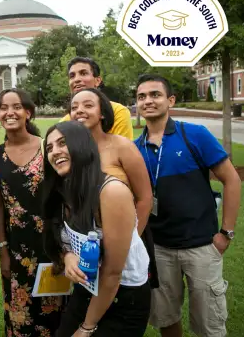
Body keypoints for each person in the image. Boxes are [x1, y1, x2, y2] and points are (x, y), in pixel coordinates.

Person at [134, 74, 241, 337]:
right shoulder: (135, 149)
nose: (148, 101)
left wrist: (225, 234)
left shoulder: (194, 135)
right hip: (158, 249)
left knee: (209, 324)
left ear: (170, 100)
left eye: (155, 95)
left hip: (202, 246)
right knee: (166, 317)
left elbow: (232, 180)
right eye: (141, 97)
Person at [43, 121, 151, 337]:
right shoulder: (63, 189)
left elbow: (112, 273)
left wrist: (86, 328)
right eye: (49, 147)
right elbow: (62, 237)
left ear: (83, 146)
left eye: (63, 143)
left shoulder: (111, 192)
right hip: (88, 287)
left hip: (124, 295)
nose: (55, 152)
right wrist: (68, 257)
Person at [0, 88, 64, 336]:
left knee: (53, 310)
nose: (10, 112)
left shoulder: (48, 149)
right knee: (20, 314)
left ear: (28, 113)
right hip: (16, 246)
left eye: (16, 106)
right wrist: (2, 251)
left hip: (52, 242)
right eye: (3, 108)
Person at [68, 88, 152, 233]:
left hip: (124, 237)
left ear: (102, 113)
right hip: (84, 240)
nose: (79, 110)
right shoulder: (69, 151)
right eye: (74, 107)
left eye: (88, 105)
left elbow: (145, 199)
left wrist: (131, 241)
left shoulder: (122, 146)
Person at [59, 57, 133, 139]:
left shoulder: (118, 112)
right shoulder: (64, 122)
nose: (76, 79)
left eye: (83, 73)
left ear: (97, 80)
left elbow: (121, 149)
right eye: (72, 76)